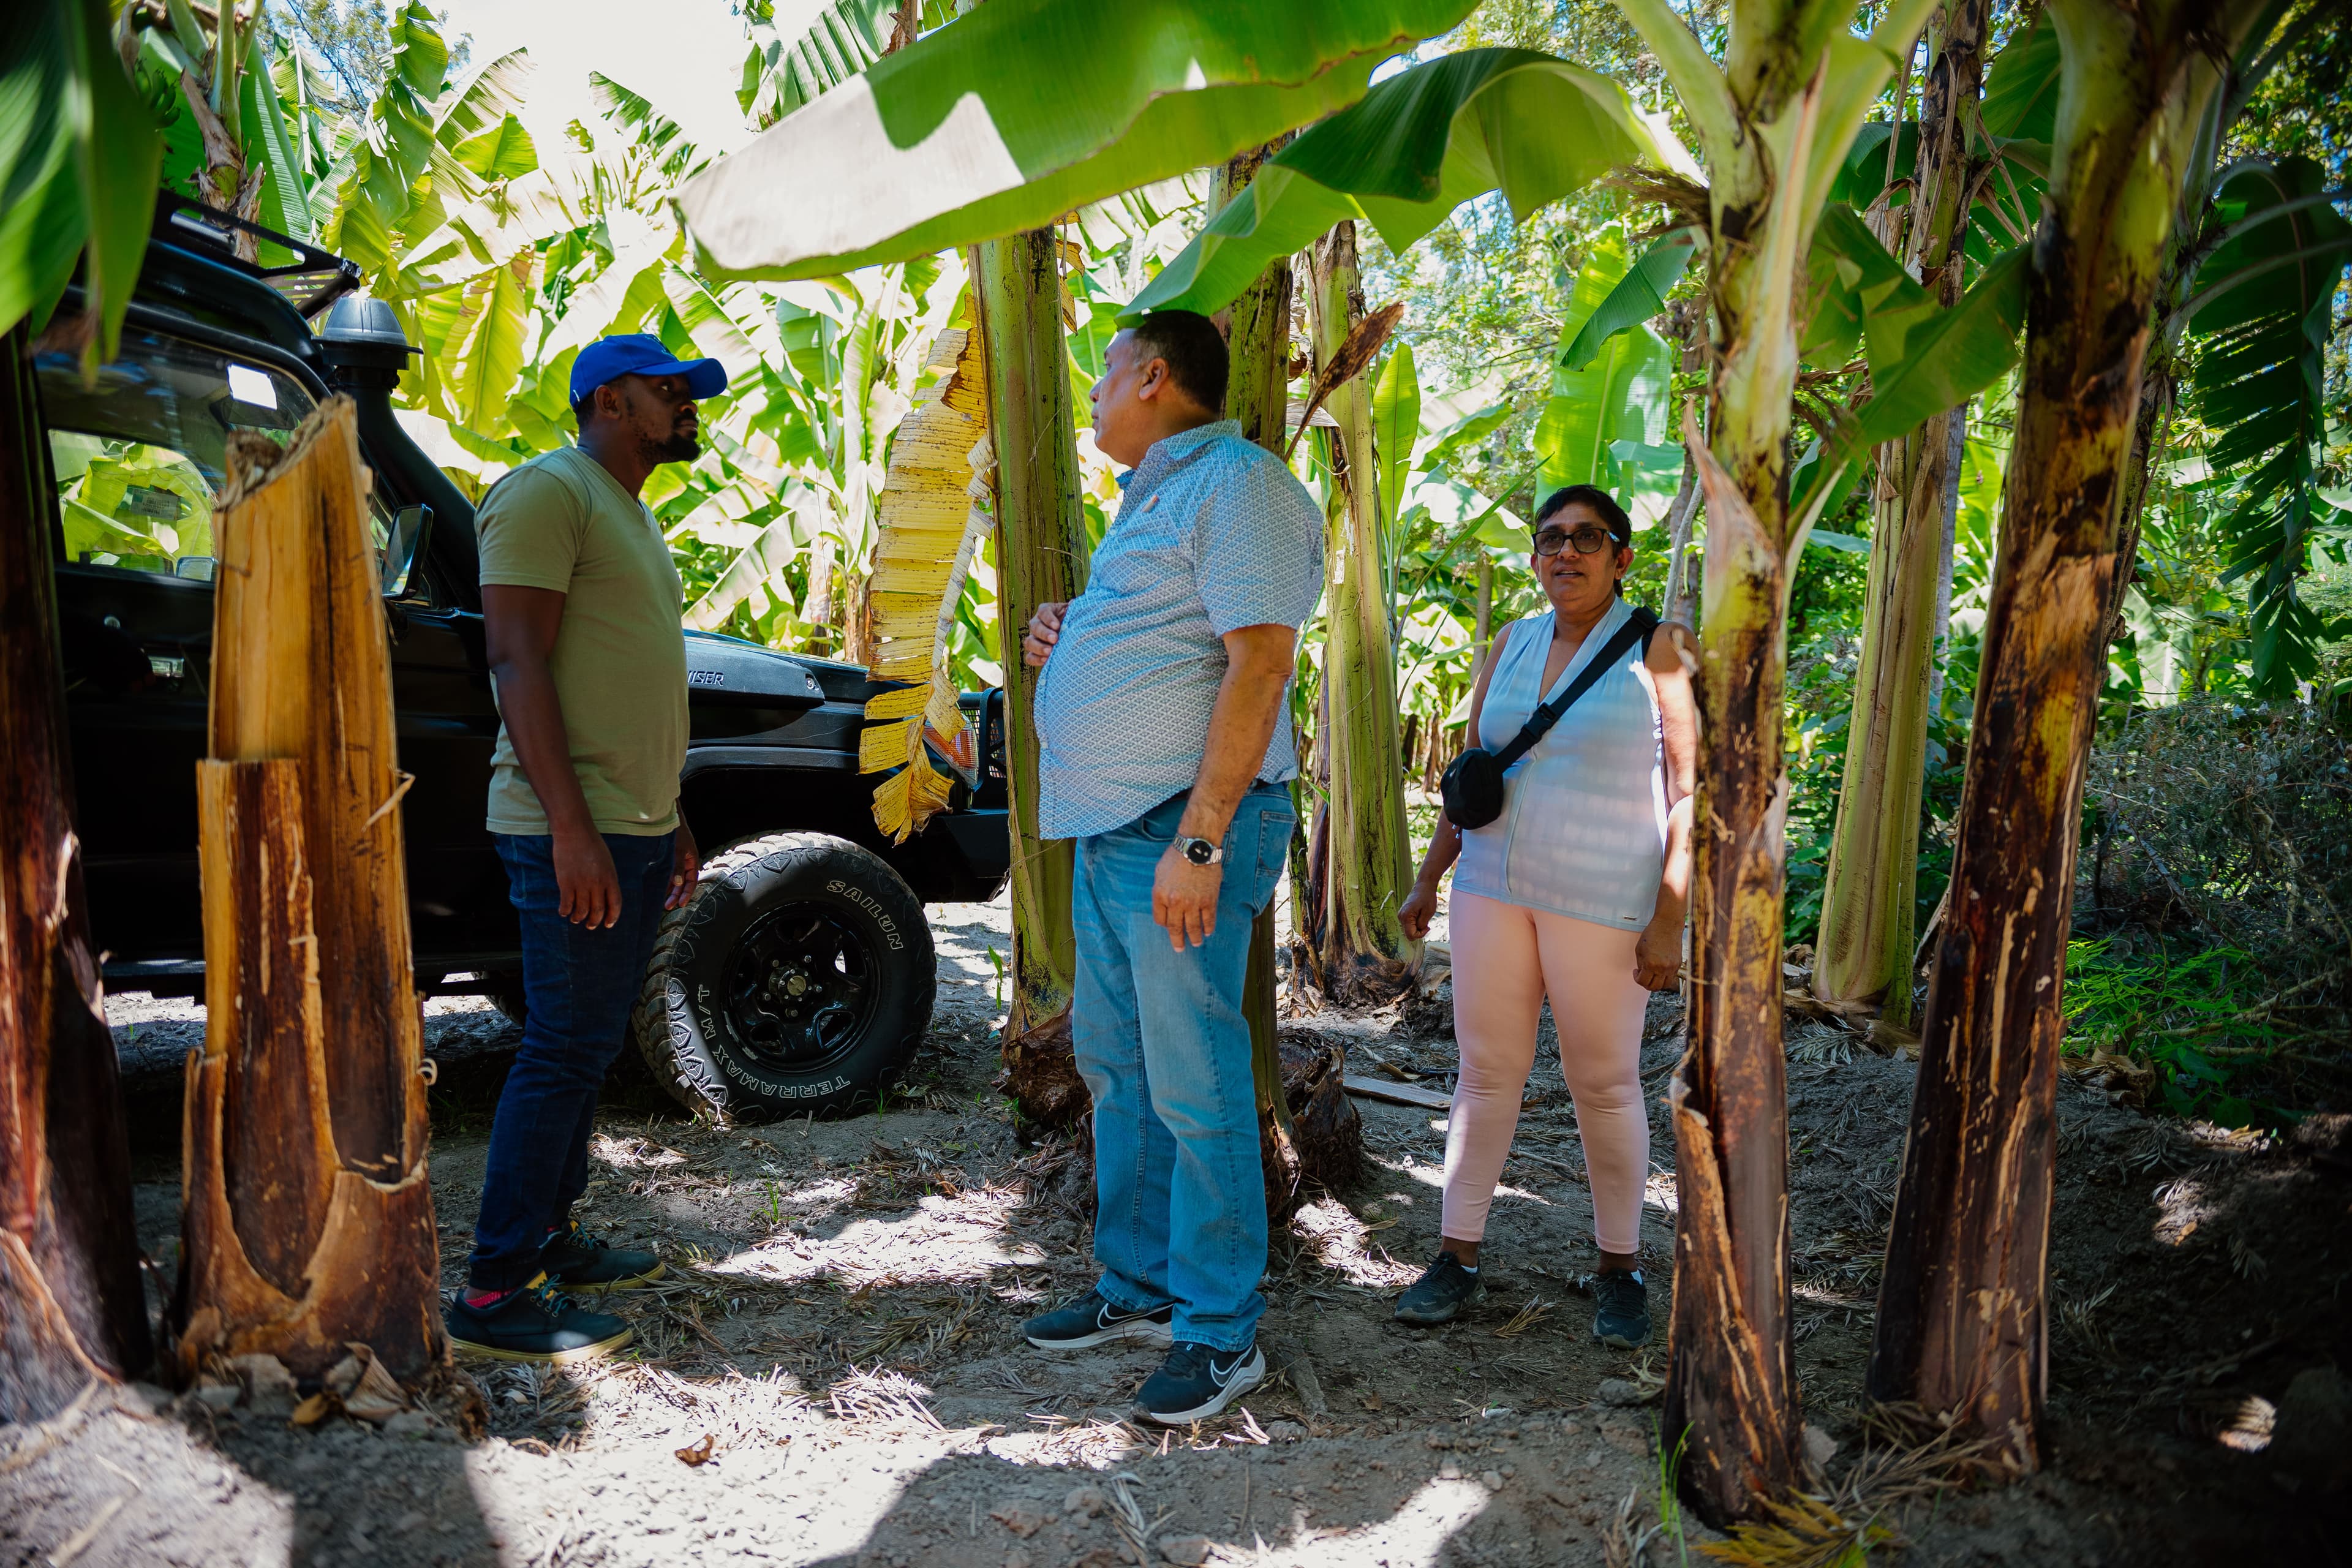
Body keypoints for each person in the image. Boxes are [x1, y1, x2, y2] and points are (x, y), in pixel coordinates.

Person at [1014, 309, 1323, 1425]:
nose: (1093, 394)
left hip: (1179, 834)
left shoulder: (1237, 483)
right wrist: (1075, 629)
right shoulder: (1161, 493)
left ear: (1153, 377)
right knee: (1119, 1065)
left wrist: (1201, 840)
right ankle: (1139, 1287)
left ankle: (1218, 1332)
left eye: (1103, 374)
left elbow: (1260, 666)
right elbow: (1174, 638)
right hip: (1117, 831)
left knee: (1194, 1082)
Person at [443, 334, 724, 1363]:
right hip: (572, 826)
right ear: (609, 400)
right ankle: (494, 1292)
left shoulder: (626, 506)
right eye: (670, 393)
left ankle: (551, 1238)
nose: (687, 407)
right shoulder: (546, 492)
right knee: (562, 1045)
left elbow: (625, 675)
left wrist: (671, 810)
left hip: (634, 823)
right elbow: (515, 662)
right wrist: (571, 828)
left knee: (591, 1043)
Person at [1393, 484, 1696, 1348]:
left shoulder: (1659, 647)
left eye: (1587, 539)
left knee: (1602, 1082)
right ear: (1535, 556)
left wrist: (1670, 918)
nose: (1566, 553)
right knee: (1486, 1074)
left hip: (1604, 902)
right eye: (1551, 539)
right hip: (1492, 887)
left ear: (1621, 557)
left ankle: (1620, 1268)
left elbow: (1687, 793)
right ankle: (1456, 1255)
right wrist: (1428, 880)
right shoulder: (1513, 640)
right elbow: (1474, 770)